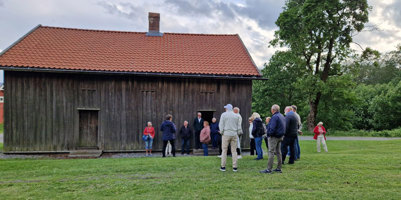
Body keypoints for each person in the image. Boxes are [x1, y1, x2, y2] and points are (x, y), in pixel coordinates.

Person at [260, 104, 286, 174]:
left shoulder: (275, 117)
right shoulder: (281, 116)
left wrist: (269, 134)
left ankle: (269, 169)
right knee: (278, 152)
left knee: (271, 152)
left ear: (273, 110)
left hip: (274, 137)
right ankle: (279, 168)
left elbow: (272, 127)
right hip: (280, 136)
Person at [219, 104, 242, 172]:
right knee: (234, 151)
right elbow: (239, 126)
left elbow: (221, 124)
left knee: (224, 150)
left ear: (227, 108)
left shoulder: (223, 115)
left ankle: (223, 166)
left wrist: (222, 132)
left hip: (226, 134)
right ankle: (235, 167)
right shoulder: (236, 115)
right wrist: (238, 132)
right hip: (234, 134)